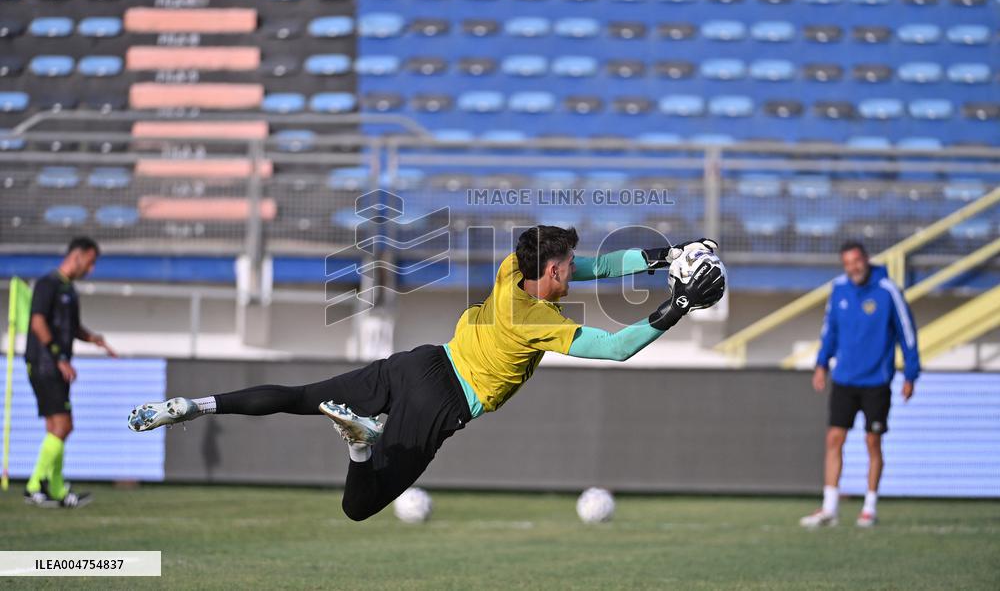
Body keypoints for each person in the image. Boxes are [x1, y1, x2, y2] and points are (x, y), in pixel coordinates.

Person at [128, 226, 725, 521]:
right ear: (549, 271)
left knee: (302, 395)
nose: (577, 268)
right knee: (358, 507)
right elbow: (618, 348)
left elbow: (595, 265)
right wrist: (680, 305)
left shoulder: (510, 270)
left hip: (419, 362)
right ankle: (361, 448)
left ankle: (194, 405)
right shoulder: (536, 318)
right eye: (567, 264)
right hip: (444, 401)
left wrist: (667, 255)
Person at [800, 240, 920, 529]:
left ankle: (869, 507)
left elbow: (907, 333)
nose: (853, 268)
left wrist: (911, 374)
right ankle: (829, 507)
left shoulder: (888, 290)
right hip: (844, 379)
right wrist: (821, 363)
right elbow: (829, 330)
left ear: (866, 260)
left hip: (876, 381)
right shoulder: (839, 289)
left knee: (872, 441)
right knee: (834, 439)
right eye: (847, 263)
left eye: (857, 261)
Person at [23, 236, 118, 508]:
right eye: (91, 262)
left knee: (57, 427)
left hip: (55, 365)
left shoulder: (69, 290)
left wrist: (94, 339)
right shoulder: (47, 284)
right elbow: (38, 323)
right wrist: (59, 358)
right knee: (64, 425)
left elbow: (73, 328)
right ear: (79, 255)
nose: (91, 269)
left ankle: (56, 490)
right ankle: (34, 486)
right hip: (45, 364)